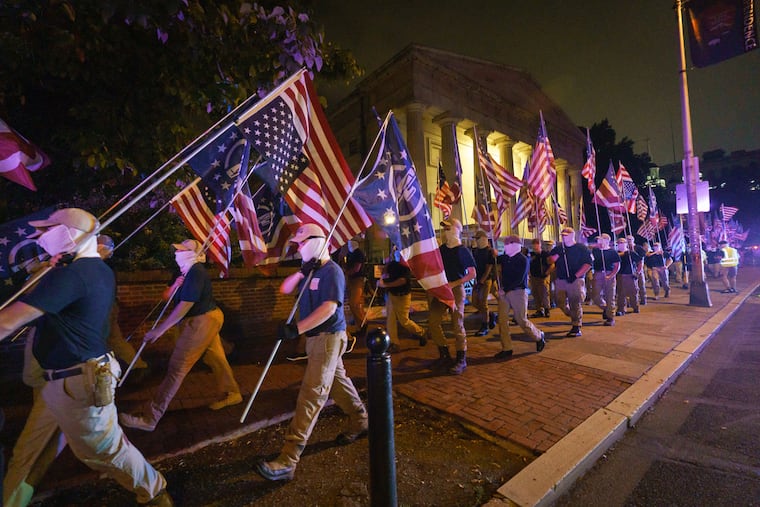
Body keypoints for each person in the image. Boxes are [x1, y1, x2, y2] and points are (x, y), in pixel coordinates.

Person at [0, 208, 172, 505]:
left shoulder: (73, 275)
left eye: (48, 230)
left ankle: (155, 493)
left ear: (69, 234)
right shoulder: (95, 270)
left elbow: (7, 322)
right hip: (62, 380)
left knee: (103, 450)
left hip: (77, 381)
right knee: (30, 450)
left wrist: (55, 272)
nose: (40, 237)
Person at [255, 224, 368, 482]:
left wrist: (297, 329)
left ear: (318, 242)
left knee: (311, 394)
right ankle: (361, 420)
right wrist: (301, 271)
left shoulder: (332, 272)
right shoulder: (310, 271)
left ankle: (288, 459)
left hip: (328, 338)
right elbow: (285, 289)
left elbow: (329, 308)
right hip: (316, 340)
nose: (299, 247)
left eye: (302, 243)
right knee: (339, 384)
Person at [119, 239, 242, 432]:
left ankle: (151, 417)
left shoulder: (196, 272)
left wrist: (160, 330)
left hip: (203, 320)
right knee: (216, 358)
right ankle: (233, 393)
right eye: (177, 250)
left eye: (182, 250)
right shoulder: (183, 271)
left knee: (177, 367)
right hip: (202, 319)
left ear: (193, 253)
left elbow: (185, 305)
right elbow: (167, 297)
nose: (177, 253)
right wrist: (175, 285)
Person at [96, 235, 151, 383]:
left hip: (105, 308)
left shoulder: (101, 266)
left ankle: (135, 367)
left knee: (109, 340)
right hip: (108, 306)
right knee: (114, 340)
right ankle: (137, 366)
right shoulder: (107, 266)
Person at [427, 218, 476, 375]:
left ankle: (461, 358)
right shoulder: (441, 249)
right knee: (433, 322)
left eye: (448, 228)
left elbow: (472, 273)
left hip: (455, 290)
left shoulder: (462, 250)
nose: (445, 231)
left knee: (457, 323)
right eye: (444, 229)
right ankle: (444, 353)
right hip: (441, 289)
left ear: (456, 229)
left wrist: (454, 284)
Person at [494, 236, 546, 359]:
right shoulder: (505, 258)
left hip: (517, 292)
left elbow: (518, 279)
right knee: (502, 320)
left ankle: (538, 336)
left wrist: (504, 290)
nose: (505, 246)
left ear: (515, 245)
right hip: (504, 293)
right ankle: (507, 348)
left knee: (521, 319)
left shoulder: (523, 259)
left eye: (508, 244)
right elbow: (494, 258)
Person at [377, 249, 426, 353]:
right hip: (392, 294)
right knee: (390, 319)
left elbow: (402, 281)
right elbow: (385, 272)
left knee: (404, 321)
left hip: (402, 296)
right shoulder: (392, 264)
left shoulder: (405, 266)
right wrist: (386, 264)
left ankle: (421, 332)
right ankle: (394, 343)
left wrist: (386, 284)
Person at [548, 227, 593, 337]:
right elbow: (550, 260)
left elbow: (588, 264)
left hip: (575, 279)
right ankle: (571, 313)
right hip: (561, 278)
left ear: (572, 235)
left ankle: (576, 326)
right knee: (560, 301)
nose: (564, 236)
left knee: (575, 301)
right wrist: (555, 257)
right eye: (562, 235)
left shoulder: (581, 248)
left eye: (566, 235)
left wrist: (575, 275)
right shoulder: (559, 248)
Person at [471, 230, 498, 336]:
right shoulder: (476, 251)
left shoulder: (490, 252)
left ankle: (485, 325)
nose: (476, 241)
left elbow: (488, 268)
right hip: (477, 279)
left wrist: (481, 281)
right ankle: (490, 315)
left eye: (477, 239)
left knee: (483, 302)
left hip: (486, 280)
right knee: (474, 302)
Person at [590, 234, 620, 326]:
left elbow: (617, 266)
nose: (599, 241)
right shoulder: (595, 251)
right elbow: (590, 259)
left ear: (607, 240)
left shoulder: (612, 252)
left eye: (601, 239)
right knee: (596, 296)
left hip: (609, 273)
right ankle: (606, 308)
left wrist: (611, 275)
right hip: (598, 273)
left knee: (610, 296)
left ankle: (610, 317)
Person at [343, 237, 367, 335]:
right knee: (355, 305)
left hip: (357, 279)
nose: (350, 244)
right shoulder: (349, 254)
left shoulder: (358, 253)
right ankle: (359, 325)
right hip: (351, 279)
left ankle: (363, 324)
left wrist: (347, 272)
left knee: (354, 303)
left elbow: (357, 268)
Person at [615, 237, 643, 316]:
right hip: (620, 275)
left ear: (626, 244)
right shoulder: (616, 253)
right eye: (619, 243)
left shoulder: (631, 253)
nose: (620, 244)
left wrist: (638, 272)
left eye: (622, 242)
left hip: (630, 275)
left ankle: (635, 307)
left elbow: (640, 261)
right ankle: (621, 309)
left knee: (633, 292)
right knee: (621, 293)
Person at [529, 238, 553, 318]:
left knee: (544, 293)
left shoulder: (545, 254)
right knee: (535, 294)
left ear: (539, 245)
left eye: (536, 246)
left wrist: (546, 273)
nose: (535, 248)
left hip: (543, 277)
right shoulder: (531, 255)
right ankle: (539, 310)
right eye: (533, 246)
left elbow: (552, 265)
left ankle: (547, 309)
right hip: (534, 277)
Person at [626, 235, 648, 305]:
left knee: (641, 285)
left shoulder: (638, 248)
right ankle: (629, 301)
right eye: (627, 240)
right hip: (629, 270)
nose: (628, 241)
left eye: (630, 240)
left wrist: (638, 271)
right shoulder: (625, 249)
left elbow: (642, 259)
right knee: (630, 286)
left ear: (633, 240)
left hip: (638, 268)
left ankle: (643, 299)